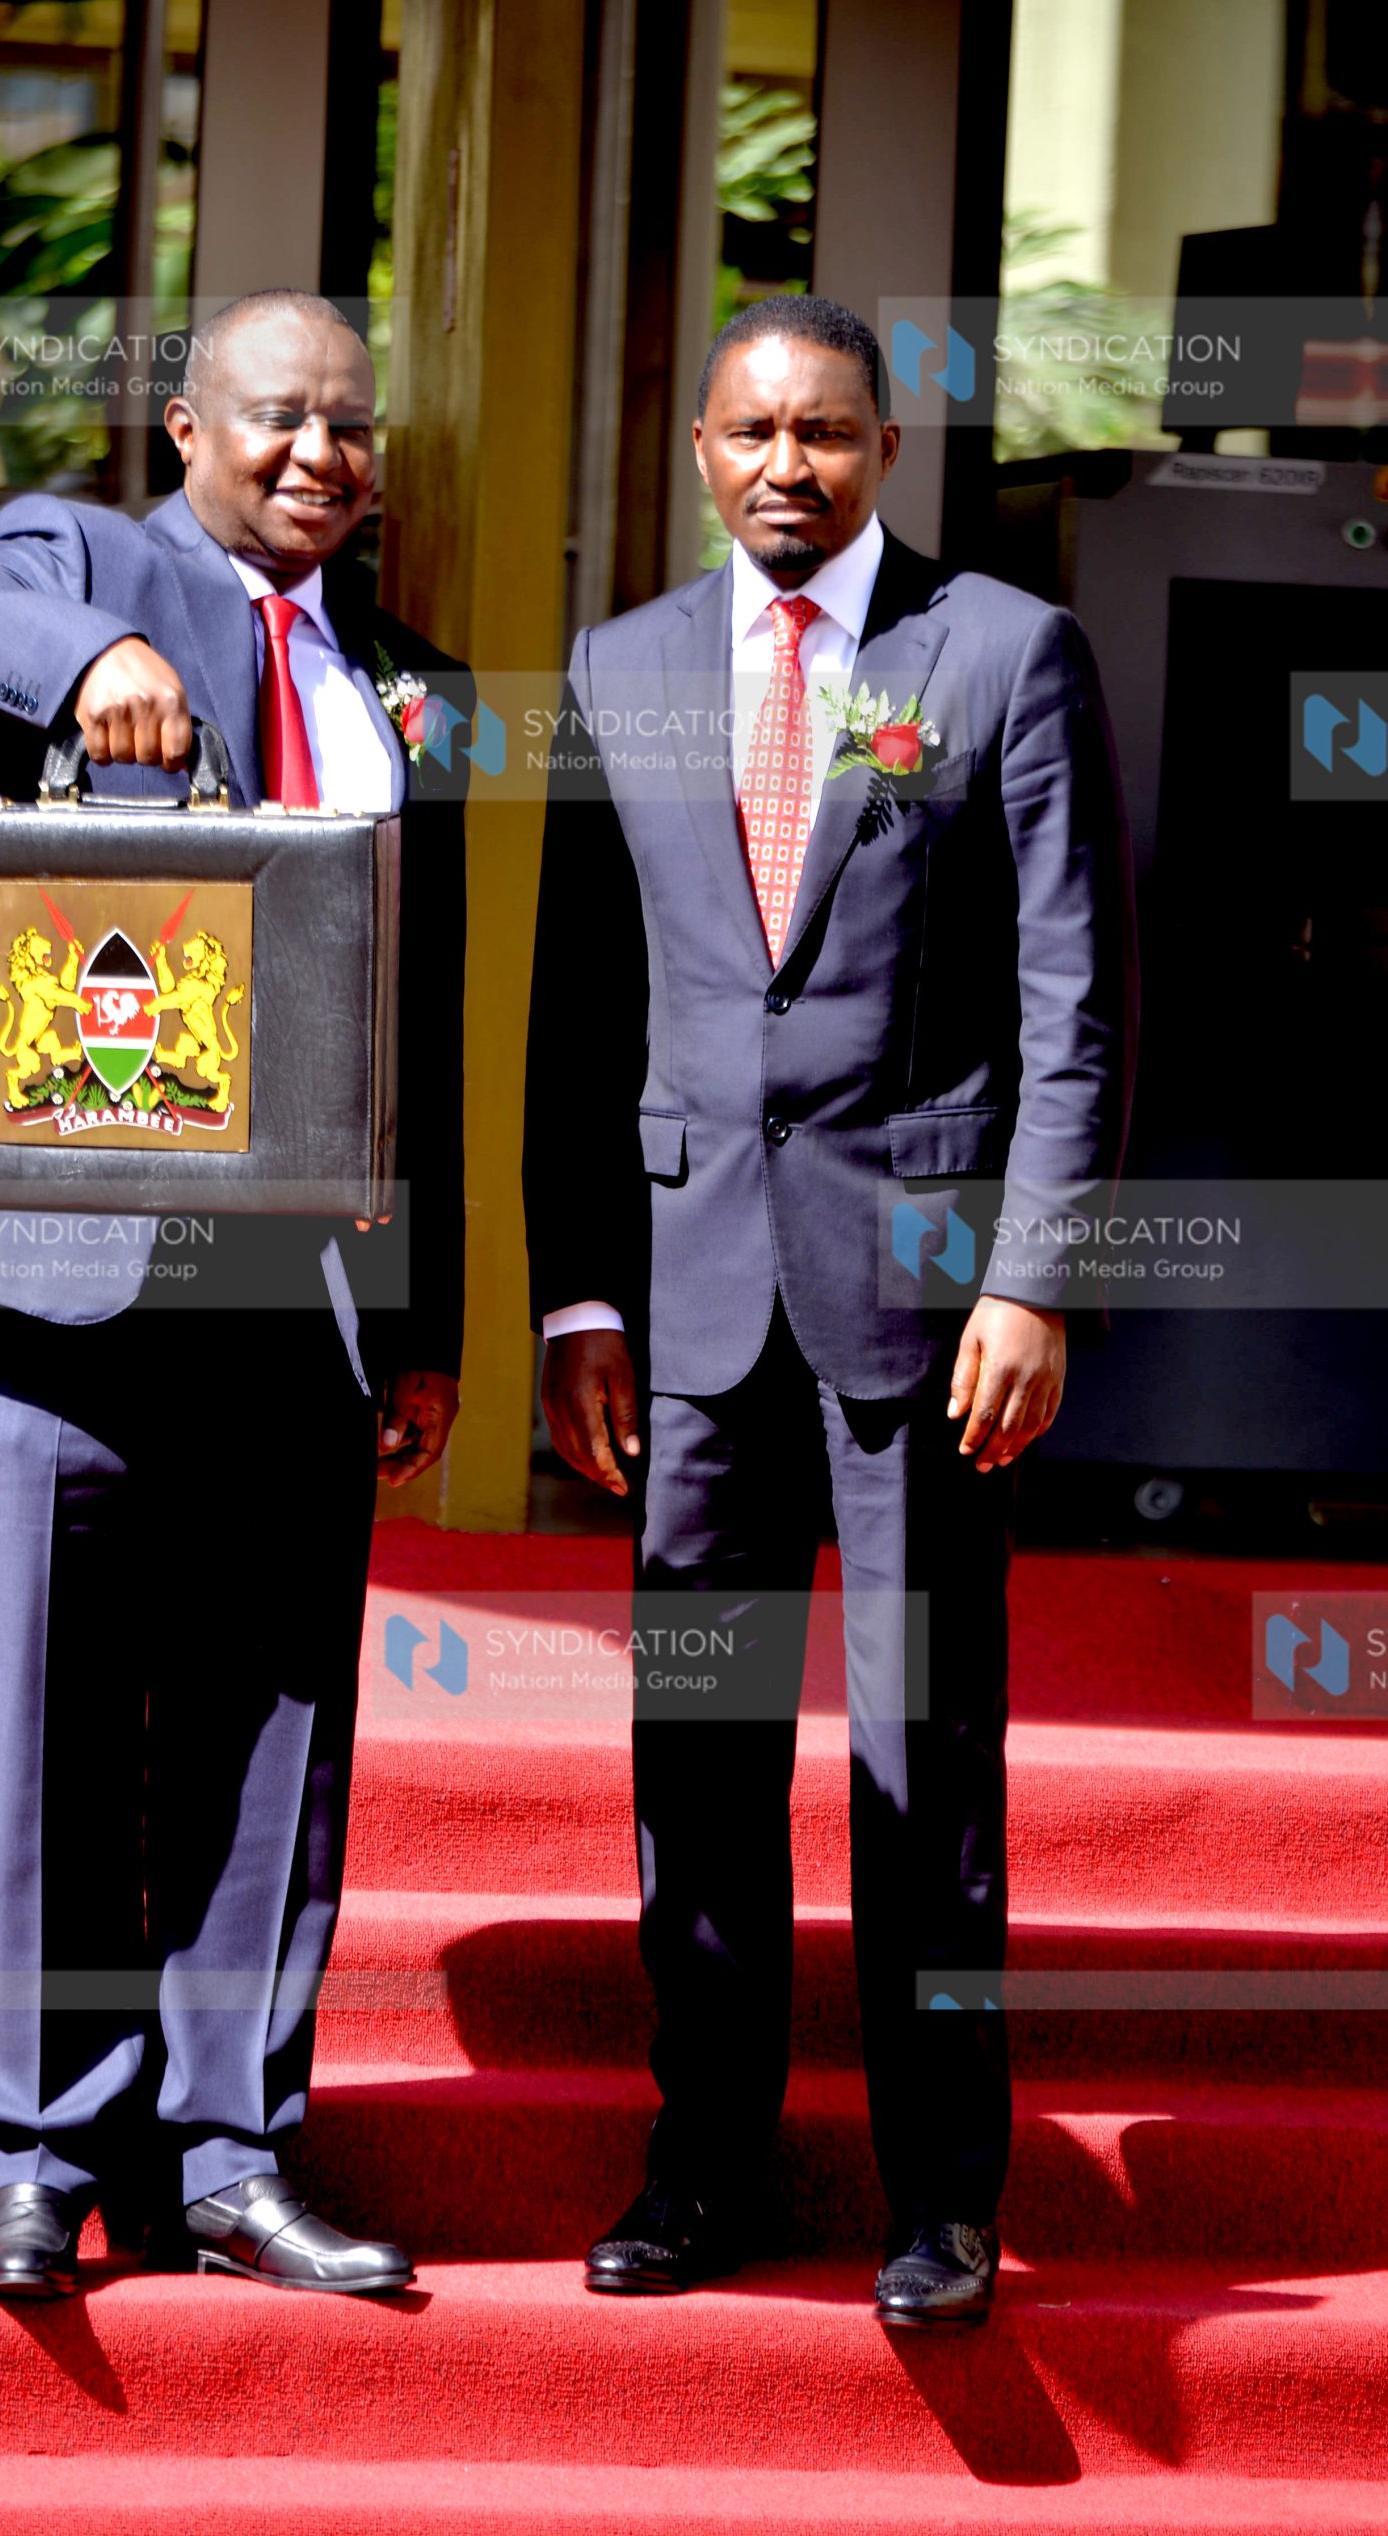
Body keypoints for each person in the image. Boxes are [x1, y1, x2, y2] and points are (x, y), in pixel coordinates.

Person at [0, 290, 469, 2298]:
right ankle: (40, 2149)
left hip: (308, 1293)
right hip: (69, 1285)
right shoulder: (82, 558)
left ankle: (228, 2150)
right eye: (278, 417)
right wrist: (91, 657)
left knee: (271, 1742)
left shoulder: (409, 680)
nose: (319, 455)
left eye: (351, 425)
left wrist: (423, 1312)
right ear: (185, 424)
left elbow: (417, 1022)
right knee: (51, 1724)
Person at [523, 293, 1136, 2325]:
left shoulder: (1003, 651)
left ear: (884, 447)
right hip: (691, 1306)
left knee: (925, 1755)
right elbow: (577, 1015)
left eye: (827, 431)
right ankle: (702, 2164)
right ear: (702, 450)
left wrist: (1033, 1271)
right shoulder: (619, 667)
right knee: (695, 1755)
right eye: (753, 431)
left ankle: (941, 2195)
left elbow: (1075, 996)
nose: (787, 463)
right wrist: (576, 1295)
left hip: (922, 1306)